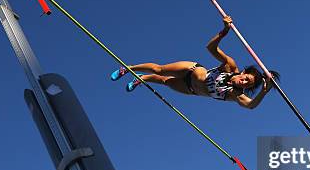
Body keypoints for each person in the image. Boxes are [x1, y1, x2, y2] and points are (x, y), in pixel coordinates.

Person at [110, 16, 280, 109]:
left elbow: (250, 106)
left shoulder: (235, 94)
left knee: (164, 81)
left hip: (191, 89)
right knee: (159, 69)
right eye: (245, 78)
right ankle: (128, 68)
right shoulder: (230, 66)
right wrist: (223, 32)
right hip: (191, 70)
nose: (242, 82)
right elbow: (210, 49)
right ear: (242, 73)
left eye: (246, 84)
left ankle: (142, 79)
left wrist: (264, 92)